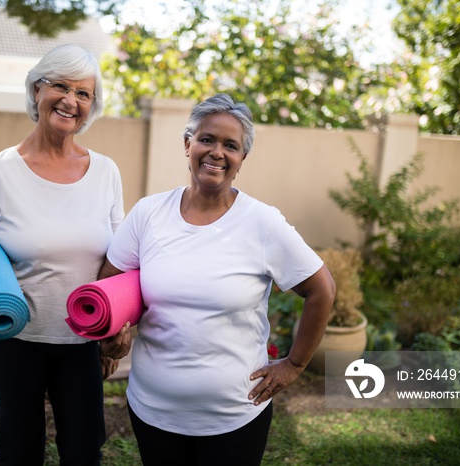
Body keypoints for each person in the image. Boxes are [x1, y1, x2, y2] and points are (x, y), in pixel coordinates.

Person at [99, 94, 336, 466]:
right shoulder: (148, 214)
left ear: (242, 159)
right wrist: (111, 336)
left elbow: (321, 289)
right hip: (153, 411)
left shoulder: (262, 222)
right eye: (207, 139)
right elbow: (109, 288)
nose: (217, 152)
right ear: (187, 144)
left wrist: (295, 364)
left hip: (234, 417)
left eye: (231, 146)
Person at [0, 44, 130, 466]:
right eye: (60, 86)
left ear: (92, 106)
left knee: (83, 449)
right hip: (14, 341)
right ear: (37, 89)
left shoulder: (107, 172)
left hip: (81, 341)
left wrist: (115, 324)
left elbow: (119, 258)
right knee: (20, 451)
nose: (71, 100)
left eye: (84, 93)